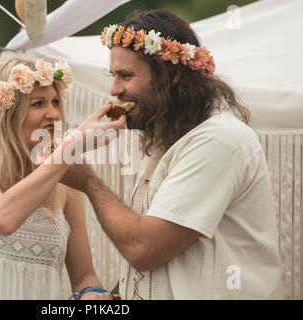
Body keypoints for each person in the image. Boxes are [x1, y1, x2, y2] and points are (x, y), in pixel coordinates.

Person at [60, 10, 284, 299]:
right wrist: (115, 297)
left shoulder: (219, 140)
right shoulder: (168, 141)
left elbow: (144, 248)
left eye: (126, 76)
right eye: (113, 76)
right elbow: (166, 264)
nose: (114, 90)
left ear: (173, 75)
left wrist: (88, 180)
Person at [0, 51, 125, 299]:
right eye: (38, 103)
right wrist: (70, 146)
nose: (53, 114)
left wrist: (91, 293)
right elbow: (1, 217)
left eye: (55, 102)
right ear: (7, 110)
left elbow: (84, 276)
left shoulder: (63, 176)